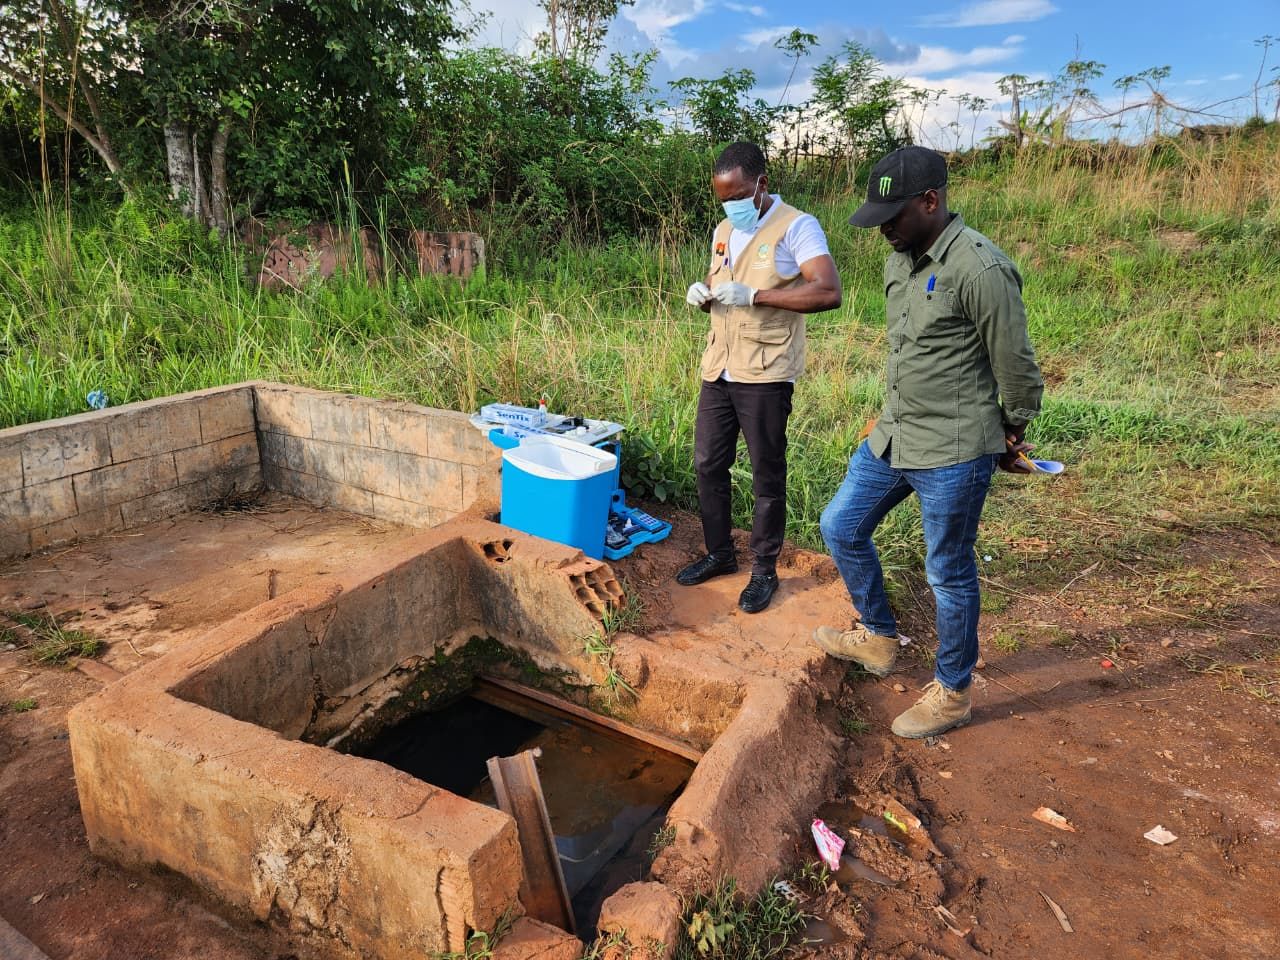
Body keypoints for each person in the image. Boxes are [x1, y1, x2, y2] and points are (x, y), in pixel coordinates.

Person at [813, 145, 1044, 738]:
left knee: (948, 571)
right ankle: (879, 636)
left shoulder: (980, 268)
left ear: (931, 200)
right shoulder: (902, 258)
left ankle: (953, 691)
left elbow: (1016, 366)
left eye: (892, 215)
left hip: (955, 451)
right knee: (840, 524)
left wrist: (1010, 431)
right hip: (895, 434)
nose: (883, 227)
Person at [679, 141, 842, 613]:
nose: (730, 206)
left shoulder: (798, 227)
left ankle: (764, 569)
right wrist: (705, 293)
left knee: (767, 472)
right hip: (720, 365)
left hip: (766, 372)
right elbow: (723, 284)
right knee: (708, 463)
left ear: (762, 184)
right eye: (722, 198)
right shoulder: (725, 229)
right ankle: (719, 554)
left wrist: (757, 296)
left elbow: (828, 292)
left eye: (738, 195)